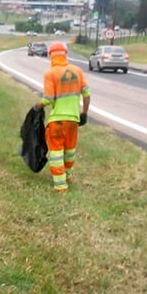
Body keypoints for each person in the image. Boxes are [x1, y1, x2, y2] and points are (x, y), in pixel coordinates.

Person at [33, 42, 91, 193]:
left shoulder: (50, 74)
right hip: (73, 120)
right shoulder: (77, 71)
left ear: (50, 55)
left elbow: (49, 99)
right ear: (65, 53)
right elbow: (87, 94)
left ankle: (60, 186)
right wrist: (84, 114)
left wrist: (38, 105)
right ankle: (68, 177)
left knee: (56, 152)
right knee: (70, 150)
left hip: (57, 121)